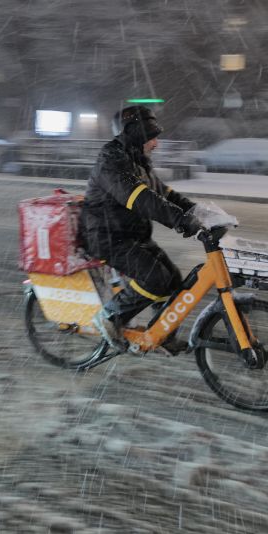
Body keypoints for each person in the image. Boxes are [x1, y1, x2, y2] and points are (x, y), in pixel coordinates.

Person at [81, 105, 204, 353]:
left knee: (172, 280)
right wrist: (179, 220)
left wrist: (196, 211)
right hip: (108, 237)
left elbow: (163, 193)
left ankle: (163, 333)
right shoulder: (111, 160)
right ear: (136, 134)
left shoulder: (139, 161)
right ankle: (110, 316)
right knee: (154, 278)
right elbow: (140, 198)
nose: (156, 143)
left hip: (133, 235)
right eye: (152, 137)